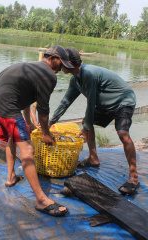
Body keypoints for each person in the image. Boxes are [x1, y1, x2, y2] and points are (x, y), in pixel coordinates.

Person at [0, 45, 73, 217]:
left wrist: (28, 123)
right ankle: (41, 200)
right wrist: (46, 133)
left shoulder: (32, 68)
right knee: (27, 150)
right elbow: (43, 110)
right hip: (8, 106)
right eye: (60, 63)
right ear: (52, 58)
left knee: (14, 138)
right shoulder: (48, 74)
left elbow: (25, 101)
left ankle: (11, 177)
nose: (60, 69)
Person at [49, 46, 139, 196]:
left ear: (69, 63)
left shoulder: (88, 74)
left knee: (123, 133)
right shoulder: (75, 80)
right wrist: (50, 122)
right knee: (87, 121)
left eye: (61, 61)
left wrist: (85, 127)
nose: (59, 64)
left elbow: (91, 103)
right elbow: (65, 102)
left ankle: (134, 177)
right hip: (106, 103)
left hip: (123, 100)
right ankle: (93, 158)